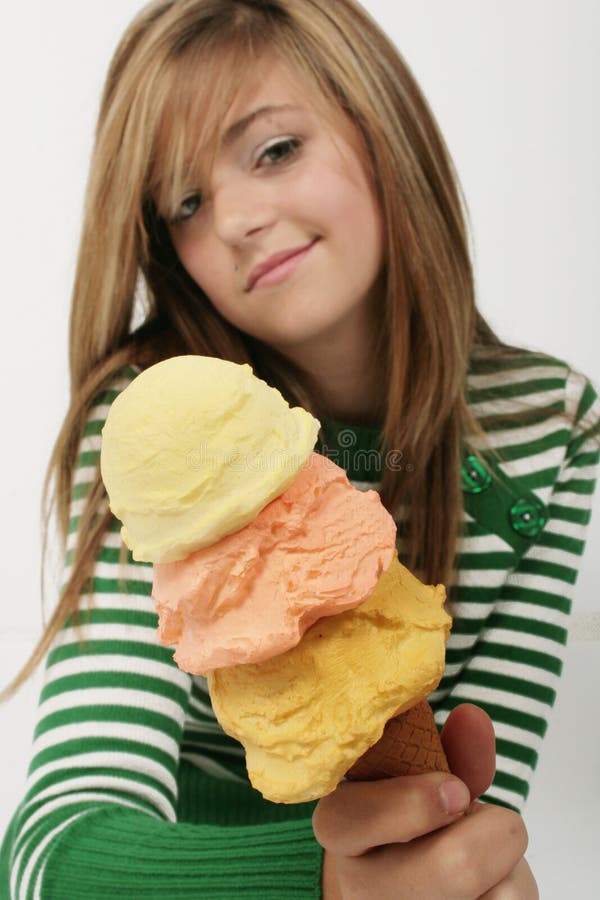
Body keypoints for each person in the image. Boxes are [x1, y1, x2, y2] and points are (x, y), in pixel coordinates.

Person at [1, 0, 598, 896]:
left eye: (275, 149)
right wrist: (318, 882)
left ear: (379, 126)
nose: (236, 218)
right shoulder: (162, 442)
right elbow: (52, 856)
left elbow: (470, 818)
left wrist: (444, 864)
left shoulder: (550, 425)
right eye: (187, 204)